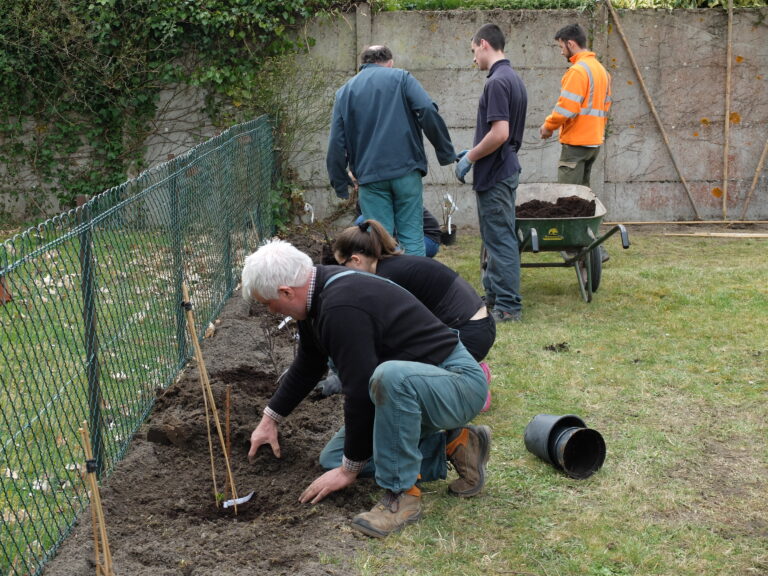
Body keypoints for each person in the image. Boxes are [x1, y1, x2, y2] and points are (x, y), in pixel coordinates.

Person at [242, 239, 491, 538]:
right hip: (418, 389)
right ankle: (456, 444)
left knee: (388, 378)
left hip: (456, 382)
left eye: (268, 303)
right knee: (333, 459)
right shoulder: (315, 295)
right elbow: (309, 364)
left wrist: (350, 471)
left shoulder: (340, 305)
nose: (270, 310)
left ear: (286, 292)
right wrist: (270, 420)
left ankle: (402, 496)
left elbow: (359, 390)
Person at [318, 219, 495, 410]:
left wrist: (344, 373)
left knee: (394, 374)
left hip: (468, 334)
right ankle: (470, 370)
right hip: (479, 328)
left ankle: (467, 391)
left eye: (340, 265)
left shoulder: (385, 278)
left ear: (356, 260)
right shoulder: (391, 266)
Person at [327, 45, 457, 257]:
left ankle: (389, 289)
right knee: (413, 240)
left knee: (381, 245)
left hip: (371, 178)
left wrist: (340, 182)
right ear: (390, 63)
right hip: (406, 171)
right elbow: (426, 109)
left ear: (363, 64)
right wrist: (445, 152)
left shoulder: (345, 92)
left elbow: (335, 142)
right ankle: (415, 288)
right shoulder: (402, 78)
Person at [454, 24, 528, 323]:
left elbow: (499, 133)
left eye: (473, 52)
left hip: (496, 172)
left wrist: (470, 157)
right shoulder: (513, 79)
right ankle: (496, 297)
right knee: (495, 237)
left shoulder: (496, 82)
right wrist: (471, 151)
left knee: (500, 240)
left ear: (484, 44)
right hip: (502, 168)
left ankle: (508, 307)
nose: (474, 60)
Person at [538, 23, 612, 262]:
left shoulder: (579, 71)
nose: (561, 52)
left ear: (571, 43)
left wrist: (548, 126)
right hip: (593, 143)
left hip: (576, 144)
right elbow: (606, 105)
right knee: (584, 200)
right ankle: (590, 246)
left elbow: (566, 108)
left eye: (561, 46)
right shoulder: (601, 71)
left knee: (567, 198)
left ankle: (574, 247)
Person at [354, 205, 442, 258]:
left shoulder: (387, 199)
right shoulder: (363, 202)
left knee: (389, 255)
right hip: (404, 237)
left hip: (428, 239)